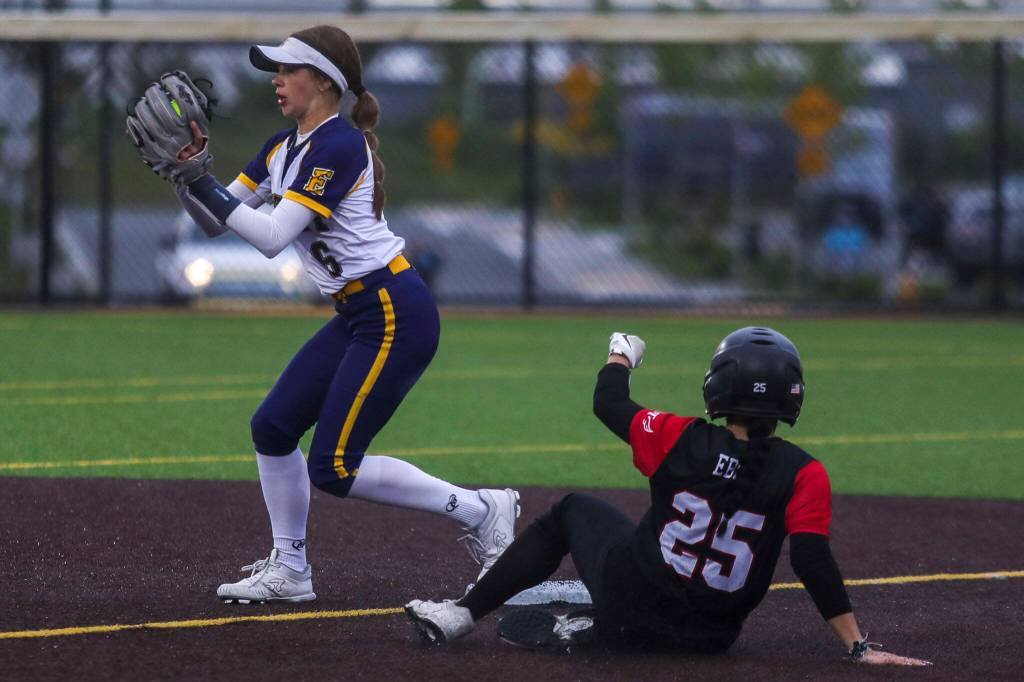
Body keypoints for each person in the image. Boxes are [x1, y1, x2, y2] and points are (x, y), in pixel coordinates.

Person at [133, 25, 520, 603]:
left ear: (323, 81)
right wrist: (185, 176)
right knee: (272, 428)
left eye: (288, 70)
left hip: (395, 311)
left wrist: (199, 177)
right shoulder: (279, 147)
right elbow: (215, 222)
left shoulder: (338, 144)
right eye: (276, 71)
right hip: (359, 313)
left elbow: (269, 237)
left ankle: (481, 509)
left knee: (334, 466)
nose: (277, 80)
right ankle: (290, 570)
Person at [405, 329, 930, 666]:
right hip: (711, 639)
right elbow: (812, 559)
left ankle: (461, 614)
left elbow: (608, 400)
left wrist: (622, 352)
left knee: (570, 511)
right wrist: (857, 646)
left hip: (632, 605)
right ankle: (592, 630)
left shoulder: (680, 436)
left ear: (718, 387)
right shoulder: (805, 472)